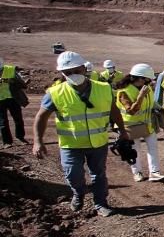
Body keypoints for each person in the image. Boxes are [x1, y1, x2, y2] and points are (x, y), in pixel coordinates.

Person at [32, 51, 128, 216]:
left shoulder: (104, 89)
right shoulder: (54, 93)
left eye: (76, 71)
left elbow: (115, 111)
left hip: (98, 143)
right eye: (68, 73)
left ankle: (101, 203)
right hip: (71, 145)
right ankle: (78, 193)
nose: (73, 75)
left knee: (99, 175)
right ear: (62, 73)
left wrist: (122, 131)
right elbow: (41, 117)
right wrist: (38, 141)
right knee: (73, 174)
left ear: (84, 68)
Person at [116, 64, 164, 183]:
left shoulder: (147, 88)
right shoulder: (124, 92)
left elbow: (151, 102)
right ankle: (137, 173)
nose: (149, 81)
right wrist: (141, 96)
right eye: (147, 79)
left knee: (153, 148)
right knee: (134, 150)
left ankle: (154, 172)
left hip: (147, 125)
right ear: (139, 78)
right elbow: (131, 111)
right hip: (131, 128)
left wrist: (161, 110)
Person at [0, 54, 28, 147]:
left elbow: (22, 84)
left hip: (13, 98)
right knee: (3, 122)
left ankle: (20, 138)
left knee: (18, 119)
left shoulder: (10, 70)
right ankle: (7, 142)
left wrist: (11, 81)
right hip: (0, 100)